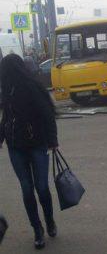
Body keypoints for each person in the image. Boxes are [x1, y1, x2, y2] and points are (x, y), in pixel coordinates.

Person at [0, 54, 58, 250]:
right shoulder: (6, 91)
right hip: (16, 147)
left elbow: (48, 114)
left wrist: (53, 141)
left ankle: (49, 220)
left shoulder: (32, 87)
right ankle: (37, 229)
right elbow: (6, 119)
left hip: (37, 144)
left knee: (42, 187)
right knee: (27, 190)